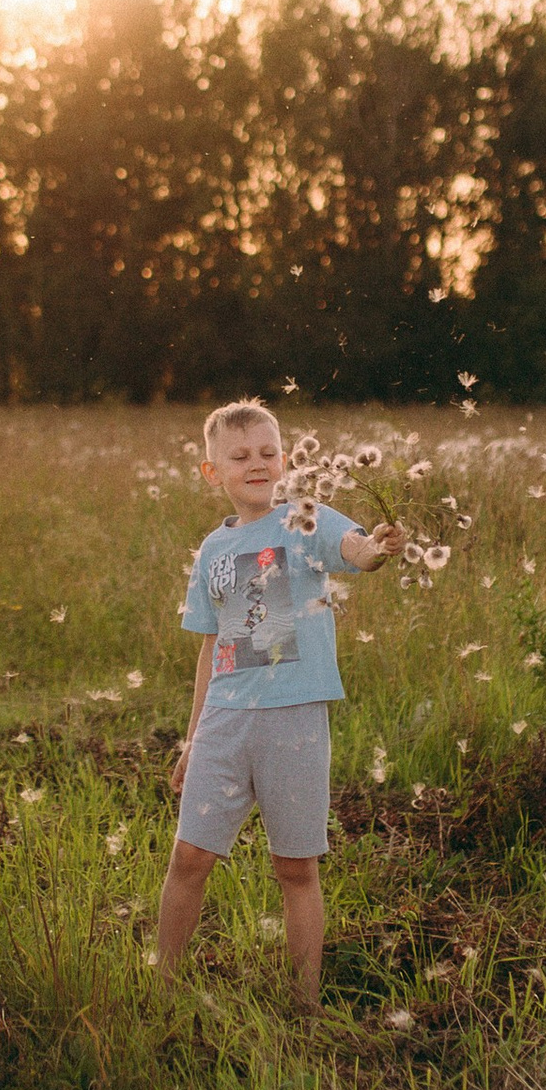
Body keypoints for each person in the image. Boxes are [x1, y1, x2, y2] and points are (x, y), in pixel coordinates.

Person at [155, 399, 400, 1010]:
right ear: (214, 473)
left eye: (268, 453)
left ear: (285, 461)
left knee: (296, 867)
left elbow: (358, 551)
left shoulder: (304, 520)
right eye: (239, 457)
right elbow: (212, 648)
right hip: (225, 721)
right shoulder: (213, 550)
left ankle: (305, 1002)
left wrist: (379, 548)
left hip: (295, 719)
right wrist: (192, 739)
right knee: (190, 855)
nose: (256, 464)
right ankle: (163, 986)